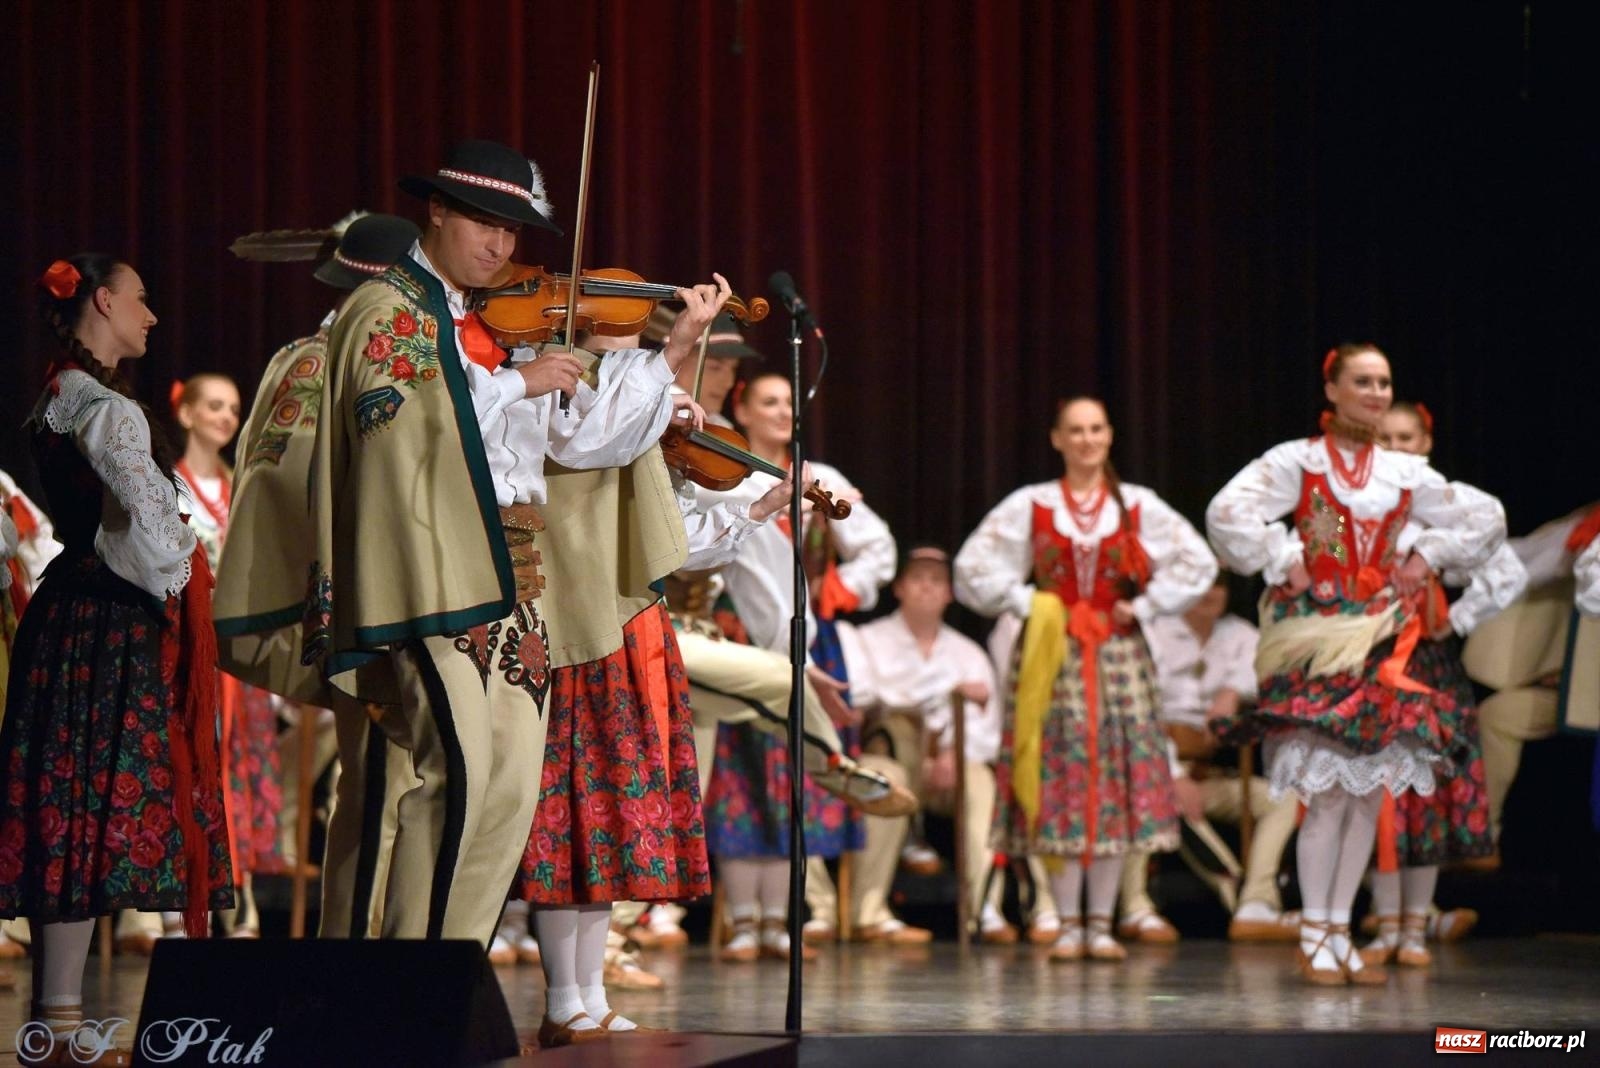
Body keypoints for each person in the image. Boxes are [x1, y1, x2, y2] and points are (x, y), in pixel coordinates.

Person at [300, 139, 714, 960]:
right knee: (453, 778)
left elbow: (581, 442)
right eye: (484, 224)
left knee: (506, 794)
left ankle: (448, 975)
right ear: (439, 213)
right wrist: (517, 384)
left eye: (513, 232)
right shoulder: (392, 311)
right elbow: (396, 423)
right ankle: (408, 982)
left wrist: (668, 356)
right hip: (436, 574)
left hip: (515, 587)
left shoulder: (487, 327)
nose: (499, 246)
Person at [1206, 344, 1504, 985]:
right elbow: (1227, 511)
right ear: (1333, 388)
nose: (1374, 392)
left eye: (1384, 383)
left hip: (1376, 637)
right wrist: (1283, 559)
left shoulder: (1401, 473)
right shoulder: (1300, 462)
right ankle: (1315, 927)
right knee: (1327, 790)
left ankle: (1339, 930)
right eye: (1362, 382)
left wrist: (1424, 556)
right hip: (1317, 638)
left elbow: (1486, 516)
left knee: (1366, 794)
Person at [0, 256, 233, 1065]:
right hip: (107, 625)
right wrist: (186, 570)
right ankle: (55, 1024)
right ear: (103, 301)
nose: (152, 317)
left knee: (72, 808)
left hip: (72, 615)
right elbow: (153, 532)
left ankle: (56, 1020)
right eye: (140, 300)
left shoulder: (59, 392)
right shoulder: (105, 409)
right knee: (91, 804)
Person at [212, 212, 421, 940]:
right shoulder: (317, 360)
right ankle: (354, 961)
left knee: (401, 786)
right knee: (379, 788)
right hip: (359, 594)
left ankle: (391, 956)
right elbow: (283, 474)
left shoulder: (345, 354)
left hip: (392, 588)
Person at [955, 396, 1216, 961]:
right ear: (1057, 439)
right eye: (1075, 430)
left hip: (1119, 658)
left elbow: (1198, 563)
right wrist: (1031, 601)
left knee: (1114, 783)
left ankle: (1102, 921)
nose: (1086, 439)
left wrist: (1144, 607)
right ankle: (1069, 921)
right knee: (1063, 783)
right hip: (1054, 656)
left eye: (1096, 429)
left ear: (1109, 436)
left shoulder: (1137, 504)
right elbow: (971, 569)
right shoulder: (1034, 503)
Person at [697, 370, 900, 956]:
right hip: (739, 631)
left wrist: (842, 588)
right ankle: (741, 918)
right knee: (741, 771)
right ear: (745, 408)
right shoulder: (725, 466)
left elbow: (878, 547)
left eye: (789, 402)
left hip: (807, 631)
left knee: (794, 770)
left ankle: (787, 917)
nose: (783, 412)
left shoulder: (821, 477)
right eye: (769, 401)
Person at [1123, 571, 1303, 943]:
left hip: (1211, 771)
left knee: (1282, 800)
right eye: (1202, 582)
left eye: (1220, 584)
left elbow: (1275, 666)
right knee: (1155, 800)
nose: (1212, 593)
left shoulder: (1237, 633)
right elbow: (1137, 711)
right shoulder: (1154, 631)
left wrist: (1232, 691)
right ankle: (1137, 908)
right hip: (1152, 769)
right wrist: (1170, 773)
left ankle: (1257, 902)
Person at [850, 547, 1009, 941]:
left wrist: (955, 757)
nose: (927, 587)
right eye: (918, 578)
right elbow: (864, 701)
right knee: (883, 773)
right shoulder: (869, 639)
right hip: (893, 758)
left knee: (981, 785)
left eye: (937, 580)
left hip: (946, 768)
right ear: (900, 588)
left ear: (949, 594)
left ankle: (984, 907)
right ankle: (868, 911)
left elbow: (989, 727)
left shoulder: (968, 653)